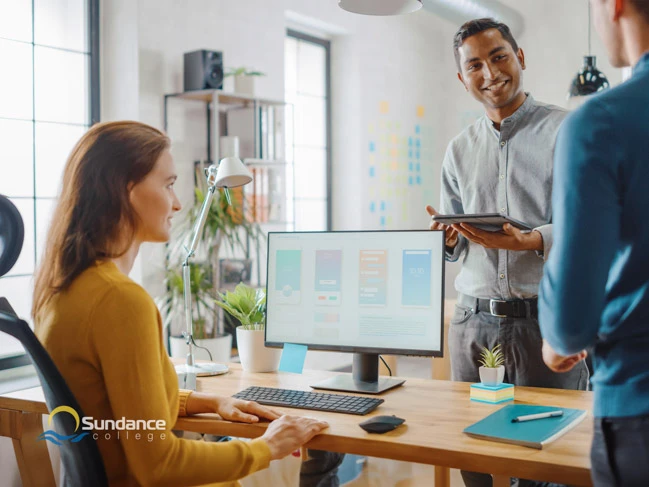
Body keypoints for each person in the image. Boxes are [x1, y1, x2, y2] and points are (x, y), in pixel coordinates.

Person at [33, 121, 330, 487]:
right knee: (311, 464)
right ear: (125, 189)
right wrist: (268, 447)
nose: (176, 203)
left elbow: (116, 409)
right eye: (169, 184)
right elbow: (160, 466)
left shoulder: (61, 287)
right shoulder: (121, 301)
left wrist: (208, 403)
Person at [426, 18, 588, 487]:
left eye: (498, 57)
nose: (489, 72)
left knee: (545, 462)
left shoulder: (568, 132)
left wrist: (533, 239)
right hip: (471, 324)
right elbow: (453, 244)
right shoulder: (458, 150)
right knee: (472, 456)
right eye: (474, 65)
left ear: (520, 57)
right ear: (463, 78)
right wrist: (448, 238)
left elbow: (589, 222)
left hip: (544, 320)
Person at [538, 0, 649, 485]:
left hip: (638, 408)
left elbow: (569, 326)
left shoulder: (600, 124)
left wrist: (559, 337)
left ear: (613, 4)